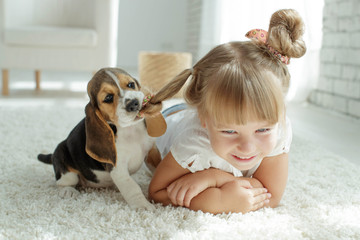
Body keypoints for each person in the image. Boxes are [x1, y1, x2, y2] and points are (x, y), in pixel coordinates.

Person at [145, 9, 306, 214]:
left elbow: (271, 194)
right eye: (229, 131)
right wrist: (218, 200)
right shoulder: (194, 144)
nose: (247, 147)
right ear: (204, 120)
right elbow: (157, 192)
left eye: (263, 130)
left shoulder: (279, 127)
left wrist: (215, 178)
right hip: (171, 119)